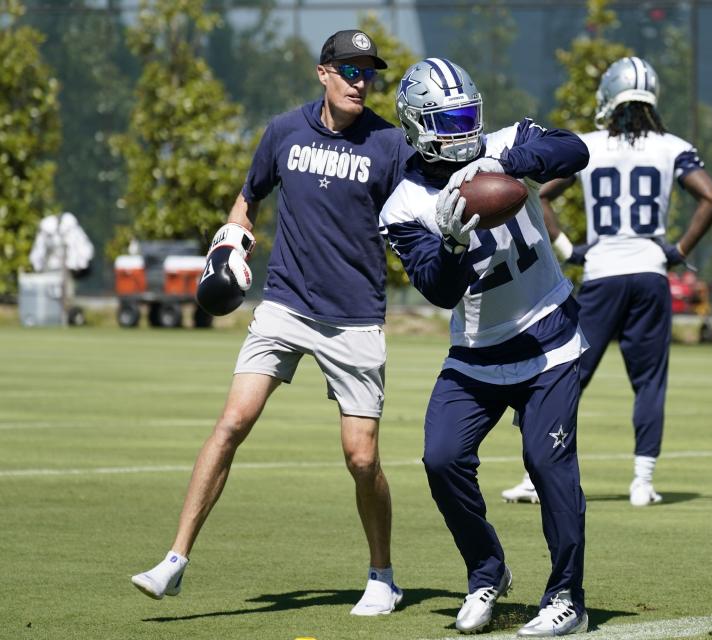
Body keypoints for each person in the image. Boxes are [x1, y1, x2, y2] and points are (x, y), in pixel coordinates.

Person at [131, 29, 413, 615]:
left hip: (355, 316)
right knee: (233, 421)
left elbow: (414, 214)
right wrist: (233, 240)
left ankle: (383, 575)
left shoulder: (390, 145)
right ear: (324, 73)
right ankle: (175, 561)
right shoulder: (284, 131)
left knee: (362, 458)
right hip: (283, 304)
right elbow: (247, 196)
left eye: (370, 72)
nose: (362, 81)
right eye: (351, 70)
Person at [381, 58, 589, 636]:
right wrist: (448, 244)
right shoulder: (403, 207)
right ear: (418, 125)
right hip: (476, 352)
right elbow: (437, 290)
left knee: (547, 464)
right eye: (449, 120)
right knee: (441, 458)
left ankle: (568, 595)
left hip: (549, 336)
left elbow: (574, 151)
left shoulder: (507, 140)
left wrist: (506, 161)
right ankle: (486, 572)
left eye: (469, 115)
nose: (465, 130)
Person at [501, 56, 712, 507]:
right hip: (649, 271)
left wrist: (567, 250)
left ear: (608, 98)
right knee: (649, 382)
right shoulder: (672, 147)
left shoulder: (590, 146)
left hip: (603, 272)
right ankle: (643, 481)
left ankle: (535, 476)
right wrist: (679, 250)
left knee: (567, 374)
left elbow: (537, 193)